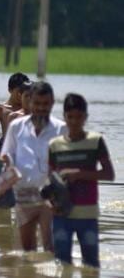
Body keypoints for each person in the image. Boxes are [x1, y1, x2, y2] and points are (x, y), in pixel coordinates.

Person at [48, 93, 115, 268]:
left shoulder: (95, 141)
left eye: (79, 117)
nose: (74, 122)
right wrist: (51, 201)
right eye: (70, 117)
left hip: (88, 214)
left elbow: (109, 174)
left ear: (85, 117)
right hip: (61, 214)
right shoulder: (55, 145)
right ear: (64, 117)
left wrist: (79, 174)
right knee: (62, 265)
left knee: (91, 265)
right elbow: (49, 179)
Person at [0, 81, 67, 253]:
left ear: (52, 103)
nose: (41, 108)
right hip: (23, 193)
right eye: (37, 103)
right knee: (27, 248)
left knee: (49, 246)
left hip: (50, 195)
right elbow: (7, 155)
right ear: (30, 102)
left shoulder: (61, 129)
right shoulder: (17, 127)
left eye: (45, 104)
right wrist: (6, 162)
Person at [0, 72, 30, 181]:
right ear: (10, 90)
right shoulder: (0, 109)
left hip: (21, 149)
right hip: (3, 148)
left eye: (24, 93)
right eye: (18, 92)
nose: (20, 96)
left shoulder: (28, 110)